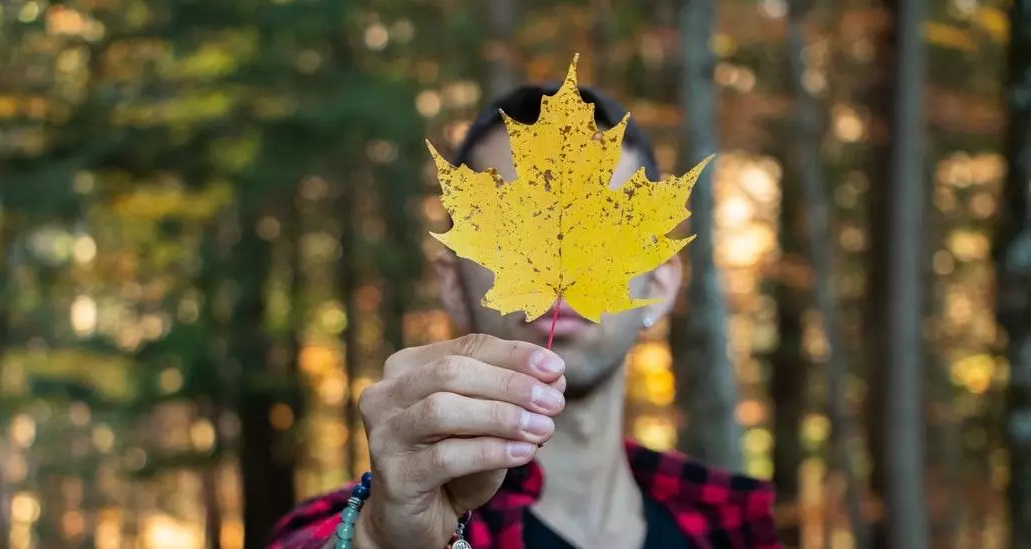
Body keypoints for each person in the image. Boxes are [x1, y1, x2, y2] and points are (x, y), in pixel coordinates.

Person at [267, 83, 780, 549]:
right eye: (514, 231)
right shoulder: (395, 515)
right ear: (451, 282)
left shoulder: (732, 526)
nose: (564, 256)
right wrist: (379, 542)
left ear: (663, 284)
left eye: (602, 232)